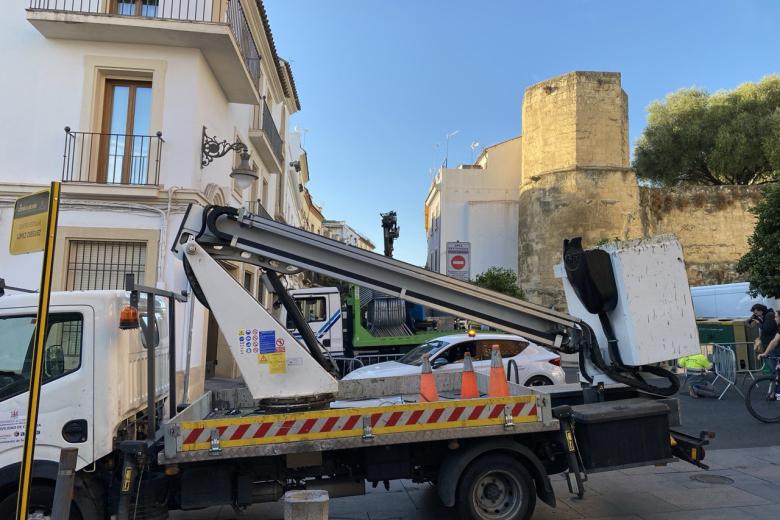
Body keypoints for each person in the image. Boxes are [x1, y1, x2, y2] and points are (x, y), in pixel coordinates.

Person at [749, 304, 778, 372]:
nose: (756, 315)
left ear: (761, 310)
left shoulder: (769, 315)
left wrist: (758, 323)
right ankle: (776, 379)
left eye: (756, 313)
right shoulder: (766, 316)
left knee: (774, 366)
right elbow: (766, 327)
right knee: (772, 366)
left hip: (771, 345)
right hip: (769, 344)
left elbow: (766, 329)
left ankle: (776, 379)